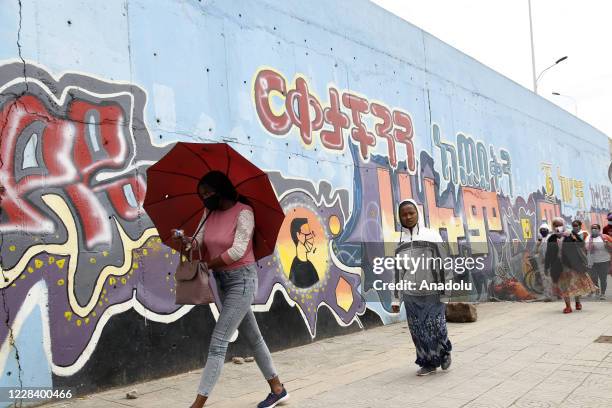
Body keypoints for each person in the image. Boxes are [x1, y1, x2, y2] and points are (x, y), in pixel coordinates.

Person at [174, 171, 289, 408]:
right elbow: (200, 243)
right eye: (201, 194)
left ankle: (197, 405)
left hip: (242, 280)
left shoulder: (243, 212)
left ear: (221, 189)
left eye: (208, 193)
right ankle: (277, 389)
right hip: (222, 281)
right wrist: (187, 243)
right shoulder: (209, 213)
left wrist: (207, 264)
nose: (204, 198)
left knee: (218, 342)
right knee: (254, 338)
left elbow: (237, 250)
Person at [395, 199, 452, 376]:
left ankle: (443, 351)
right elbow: (398, 271)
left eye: (411, 212)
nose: (408, 216)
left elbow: (444, 264)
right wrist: (396, 298)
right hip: (412, 294)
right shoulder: (399, 242)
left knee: (436, 326)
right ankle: (428, 362)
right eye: (404, 214)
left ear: (417, 213)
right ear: (400, 217)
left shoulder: (431, 235)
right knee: (418, 329)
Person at [546, 218, 597, 313]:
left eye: (560, 224)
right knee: (564, 286)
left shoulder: (570, 234)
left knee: (575, 284)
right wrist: (547, 265)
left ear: (564, 225)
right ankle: (568, 306)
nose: (558, 227)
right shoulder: (552, 238)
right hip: (560, 266)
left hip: (573, 265)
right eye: (555, 225)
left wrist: (574, 238)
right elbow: (549, 253)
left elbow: (581, 244)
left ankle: (577, 302)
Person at [288, 218, 320, 288]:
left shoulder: (310, 266)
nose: (311, 237)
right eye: (307, 233)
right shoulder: (295, 269)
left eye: (310, 233)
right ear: (298, 235)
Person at [586, 224, 612, 300]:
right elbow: (585, 248)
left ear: (599, 229)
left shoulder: (605, 237)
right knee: (594, 278)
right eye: (592, 228)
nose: (594, 229)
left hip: (604, 261)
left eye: (595, 228)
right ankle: (597, 291)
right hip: (592, 261)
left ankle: (603, 293)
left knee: (603, 278)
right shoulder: (588, 237)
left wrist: (607, 244)